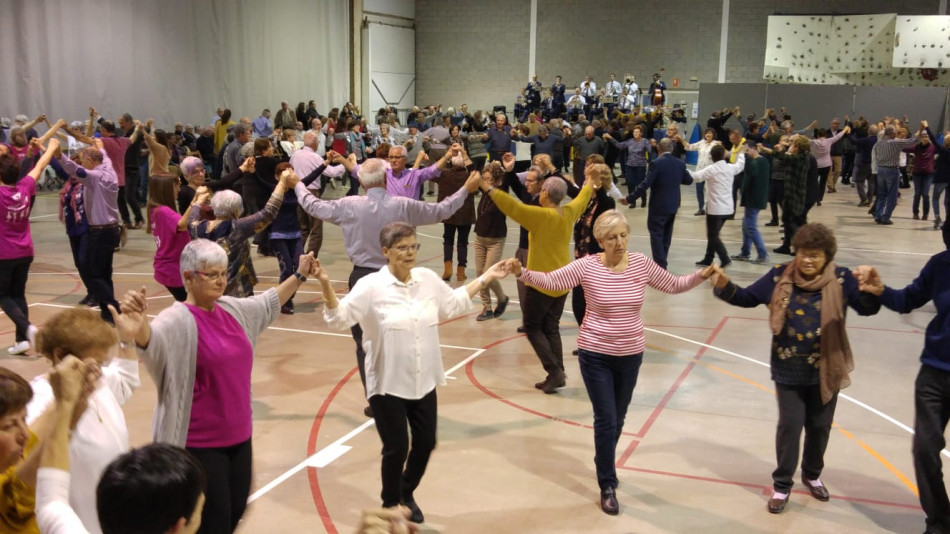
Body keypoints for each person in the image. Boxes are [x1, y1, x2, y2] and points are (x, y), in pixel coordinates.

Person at [508, 210, 716, 515]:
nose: (619, 242)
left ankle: (602, 456)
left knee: (618, 419)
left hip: (630, 355)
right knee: (606, 419)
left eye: (623, 235)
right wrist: (522, 272)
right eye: (611, 238)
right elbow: (552, 281)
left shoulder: (641, 263)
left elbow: (672, 284)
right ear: (600, 241)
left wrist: (702, 276)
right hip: (595, 354)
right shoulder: (587, 266)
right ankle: (607, 483)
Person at [117, 238, 318, 534]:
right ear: (188, 277)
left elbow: (268, 303)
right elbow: (153, 344)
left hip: (239, 438)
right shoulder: (175, 321)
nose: (221, 281)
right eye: (212, 275)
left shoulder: (233, 310)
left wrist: (299, 275)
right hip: (198, 446)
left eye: (224, 273)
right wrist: (138, 328)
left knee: (235, 511)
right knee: (214, 523)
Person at [316, 222, 511, 524]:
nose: (410, 253)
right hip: (387, 383)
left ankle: (405, 492)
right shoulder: (370, 287)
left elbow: (454, 303)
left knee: (426, 443)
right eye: (402, 248)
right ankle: (390, 504)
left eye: (413, 246)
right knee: (396, 448)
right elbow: (338, 318)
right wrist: (326, 284)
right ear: (385, 251)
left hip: (423, 380)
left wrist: (487, 276)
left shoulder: (427, 279)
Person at [708, 223, 881, 514]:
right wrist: (723, 285)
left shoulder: (841, 279)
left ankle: (812, 474)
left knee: (820, 426)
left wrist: (873, 292)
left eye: (815, 255)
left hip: (827, 368)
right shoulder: (780, 275)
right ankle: (782, 485)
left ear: (826, 256)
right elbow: (748, 298)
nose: (808, 260)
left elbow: (866, 308)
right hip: (788, 368)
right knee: (790, 425)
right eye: (803, 253)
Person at [295, 158, 478, 417]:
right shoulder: (403, 205)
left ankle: (377, 401)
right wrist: (465, 190)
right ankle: (406, 394)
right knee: (404, 337)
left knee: (366, 344)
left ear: (361, 182)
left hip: (362, 279)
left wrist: (296, 184)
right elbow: (441, 210)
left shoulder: (349, 206)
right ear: (385, 179)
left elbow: (313, 205)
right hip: (399, 278)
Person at [851, 224, 950, 534]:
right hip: (934, 373)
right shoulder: (941, 264)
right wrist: (879, 290)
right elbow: (908, 300)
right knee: (924, 449)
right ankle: (939, 523)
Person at [28, 307, 140, 533]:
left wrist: (127, 341)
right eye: (96, 362)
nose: (100, 370)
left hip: (113, 511)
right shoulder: (36, 400)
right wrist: (66, 403)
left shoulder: (96, 378)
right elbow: (31, 459)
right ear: (61, 355)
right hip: (76, 519)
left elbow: (125, 379)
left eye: (103, 363)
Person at [480, 170, 594, 393]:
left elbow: (513, 207)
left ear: (545, 193)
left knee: (532, 326)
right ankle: (557, 373)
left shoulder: (540, 216)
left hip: (542, 282)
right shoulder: (569, 212)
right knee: (551, 327)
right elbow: (583, 197)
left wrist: (487, 188)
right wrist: (590, 180)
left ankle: (555, 371)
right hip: (563, 280)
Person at [188, 170, 292, 298]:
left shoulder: (197, 228)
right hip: (236, 294)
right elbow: (268, 213)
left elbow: (191, 218)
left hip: (208, 292)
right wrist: (282, 182)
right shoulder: (236, 228)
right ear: (237, 211)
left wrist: (198, 202)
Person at [1, 137, 58, 354]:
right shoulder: (25, 186)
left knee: (3, 296)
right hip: (25, 251)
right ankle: (22, 340)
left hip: (4, 254)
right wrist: (51, 147)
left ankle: (27, 329)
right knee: (19, 294)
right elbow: (40, 165)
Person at [58, 139, 121, 323]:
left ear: (90, 161)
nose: (82, 163)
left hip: (100, 232)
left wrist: (57, 154)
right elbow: (105, 155)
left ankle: (114, 309)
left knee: (93, 273)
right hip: (111, 230)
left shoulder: (94, 177)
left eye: (84, 160)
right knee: (104, 274)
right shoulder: (108, 168)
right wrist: (100, 146)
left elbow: (74, 170)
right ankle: (107, 313)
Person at [622, 138, 692, 269]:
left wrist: (630, 198)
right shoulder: (680, 163)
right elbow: (688, 180)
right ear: (672, 149)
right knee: (666, 234)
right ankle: (662, 261)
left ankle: (660, 266)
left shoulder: (656, 163)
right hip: (673, 205)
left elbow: (645, 184)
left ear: (659, 148)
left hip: (658, 205)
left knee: (656, 234)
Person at [688, 144, 745, 268]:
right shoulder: (730, 167)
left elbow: (695, 177)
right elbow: (740, 165)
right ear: (724, 155)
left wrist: (683, 168)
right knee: (714, 234)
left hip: (715, 209)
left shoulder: (711, 169)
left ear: (711, 157)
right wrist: (741, 154)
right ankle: (708, 258)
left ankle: (725, 258)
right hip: (728, 208)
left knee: (713, 236)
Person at [472, 162, 510, 320]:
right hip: (480, 238)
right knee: (480, 274)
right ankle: (486, 308)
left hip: (495, 240)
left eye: (489, 179)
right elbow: (474, 174)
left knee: (489, 273)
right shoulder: (484, 191)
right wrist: (465, 156)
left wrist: (506, 168)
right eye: (485, 178)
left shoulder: (501, 193)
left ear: (497, 180)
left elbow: (507, 180)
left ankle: (502, 298)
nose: (486, 181)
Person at [432, 145, 476, 281]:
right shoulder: (469, 176)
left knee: (448, 240)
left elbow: (431, 172)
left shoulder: (444, 174)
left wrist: (445, 156)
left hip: (448, 213)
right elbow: (475, 172)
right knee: (463, 242)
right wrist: (464, 153)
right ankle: (461, 271)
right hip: (465, 213)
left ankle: (448, 268)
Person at [147, 174, 193, 301]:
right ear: (165, 189)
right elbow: (182, 225)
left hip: (171, 267)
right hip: (172, 270)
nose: (179, 189)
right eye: (176, 186)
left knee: (189, 303)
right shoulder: (163, 211)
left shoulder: (156, 209)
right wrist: (195, 203)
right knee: (191, 304)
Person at [732, 141, 771, 264]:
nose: (746, 153)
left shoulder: (759, 161)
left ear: (754, 148)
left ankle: (763, 254)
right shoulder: (758, 161)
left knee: (750, 227)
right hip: (752, 198)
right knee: (746, 225)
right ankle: (745, 252)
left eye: (747, 150)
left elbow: (751, 170)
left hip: (755, 199)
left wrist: (744, 156)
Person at [874, 125, 918, 225]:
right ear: (892, 133)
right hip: (892, 170)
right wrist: (920, 130)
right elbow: (912, 141)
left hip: (880, 169)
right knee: (892, 196)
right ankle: (886, 217)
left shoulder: (878, 143)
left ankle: (878, 216)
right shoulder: (894, 142)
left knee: (882, 195)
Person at [604, 126, 650, 206]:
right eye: (634, 132)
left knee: (640, 184)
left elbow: (650, 150)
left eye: (637, 132)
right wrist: (610, 138)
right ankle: (632, 201)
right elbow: (619, 145)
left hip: (640, 165)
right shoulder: (630, 141)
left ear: (641, 133)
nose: (635, 133)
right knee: (630, 183)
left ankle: (643, 199)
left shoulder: (645, 141)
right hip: (630, 165)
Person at [685, 128, 721, 216]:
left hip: (710, 171)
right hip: (700, 171)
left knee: (709, 191)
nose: (708, 135)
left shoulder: (716, 144)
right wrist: (680, 139)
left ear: (713, 135)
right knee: (699, 190)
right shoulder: (701, 143)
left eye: (710, 133)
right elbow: (689, 147)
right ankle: (701, 208)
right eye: (706, 133)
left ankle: (709, 208)